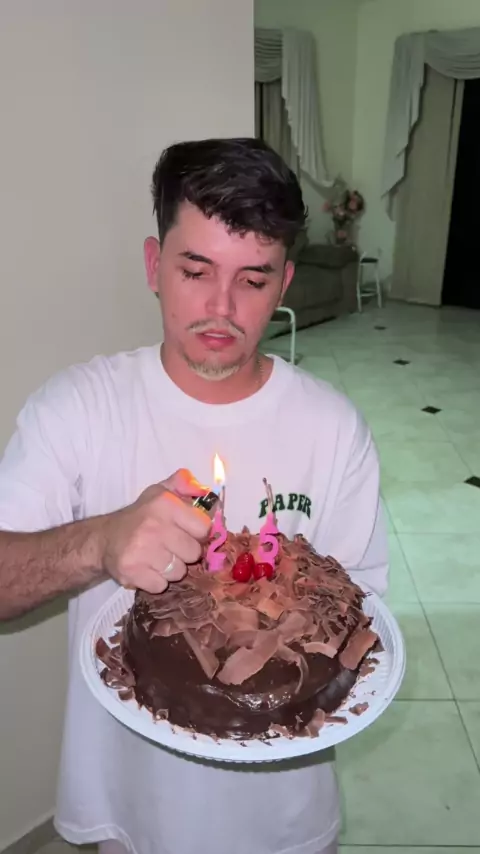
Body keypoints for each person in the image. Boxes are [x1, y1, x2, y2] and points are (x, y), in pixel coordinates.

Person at [0, 138, 388, 854]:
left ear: (284, 282)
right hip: (129, 808)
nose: (221, 306)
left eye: (253, 279)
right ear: (155, 265)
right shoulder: (78, 408)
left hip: (286, 821)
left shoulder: (334, 428)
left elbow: (359, 625)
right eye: (195, 270)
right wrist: (99, 543)